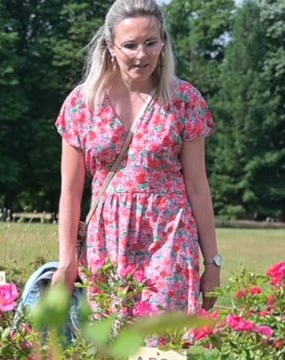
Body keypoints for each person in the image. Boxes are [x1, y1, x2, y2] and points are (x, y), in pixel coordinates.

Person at [53, 0, 221, 316]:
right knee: (107, 350)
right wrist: (67, 260)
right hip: (107, 239)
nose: (141, 55)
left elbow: (198, 187)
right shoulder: (82, 103)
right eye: (130, 45)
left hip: (168, 236)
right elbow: (71, 192)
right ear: (110, 47)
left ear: (163, 44)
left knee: (161, 348)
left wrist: (212, 261)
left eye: (150, 43)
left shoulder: (184, 100)